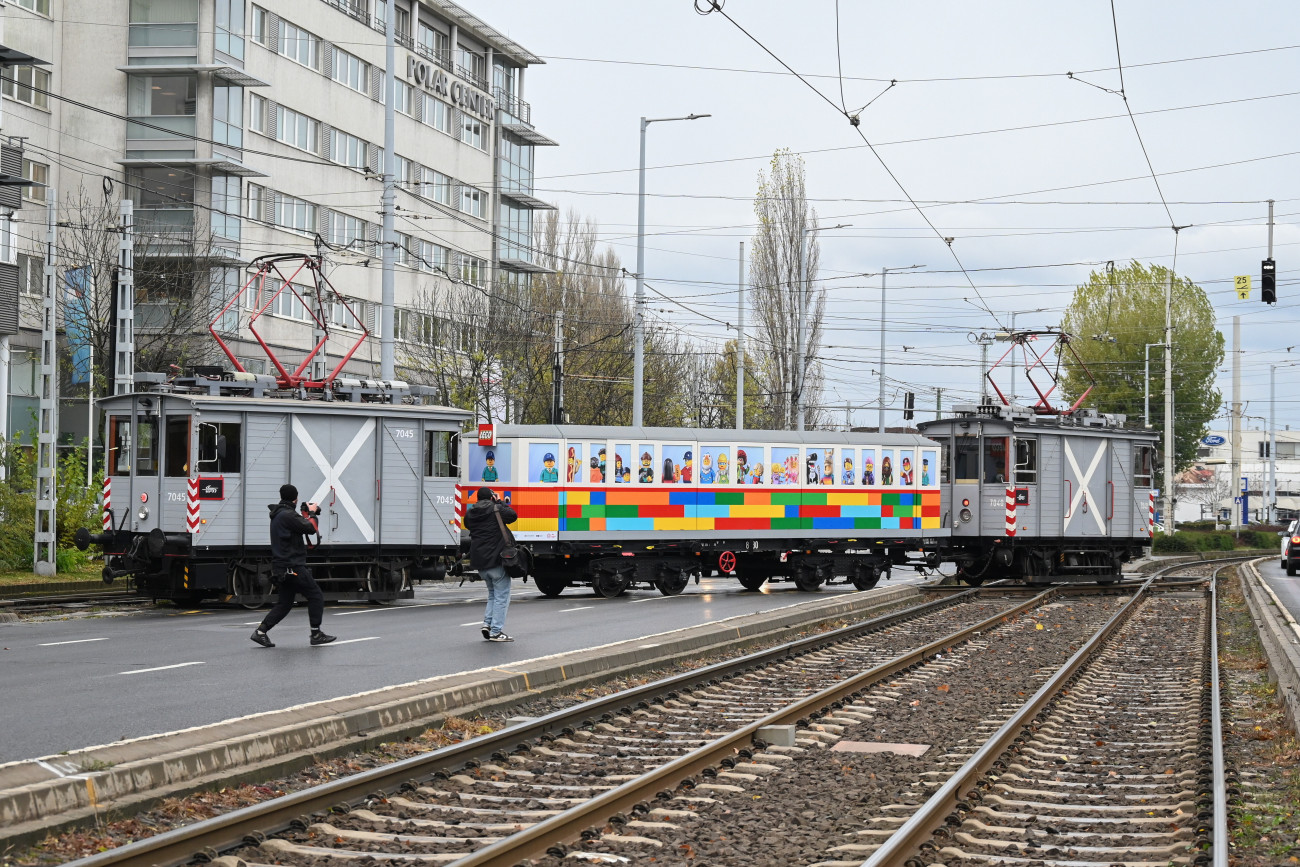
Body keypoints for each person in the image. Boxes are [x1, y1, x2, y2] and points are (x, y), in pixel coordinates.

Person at [250, 484, 336, 648]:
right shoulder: (287, 515)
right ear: (295, 498)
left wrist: (305, 515)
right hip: (293, 566)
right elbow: (310, 528)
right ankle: (316, 633)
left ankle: (260, 632)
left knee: (285, 603)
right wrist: (311, 513)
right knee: (316, 595)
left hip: (282, 566)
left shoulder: (280, 514)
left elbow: (300, 526)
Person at [465, 486, 518, 642]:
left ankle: (487, 625)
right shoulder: (497, 509)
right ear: (491, 497)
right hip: (496, 560)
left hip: (480, 563)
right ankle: (496, 631)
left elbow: (469, 526)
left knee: (493, 595)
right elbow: (513, 515)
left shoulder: (470, 513)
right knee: (502, 597)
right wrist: (500, 502)